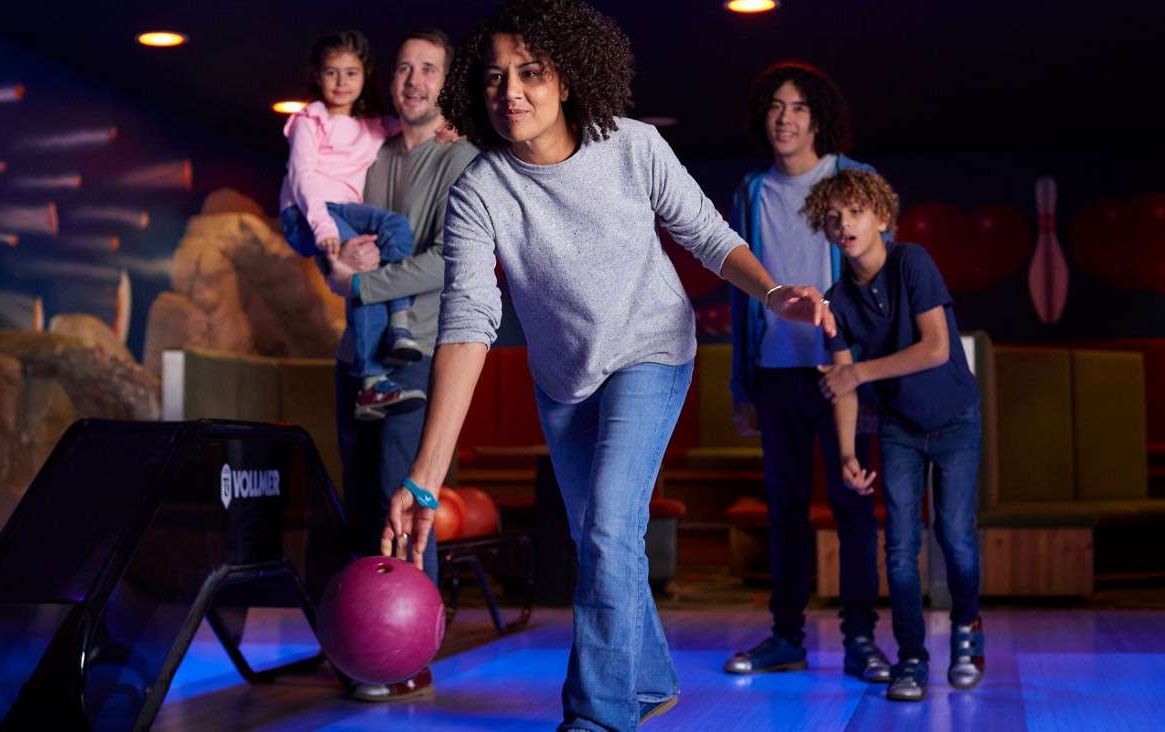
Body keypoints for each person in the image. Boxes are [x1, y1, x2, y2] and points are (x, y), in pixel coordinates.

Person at [380, 2, 834, 729]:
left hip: (652, 350)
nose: (511, 92)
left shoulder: (632, 146)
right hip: (564, 379)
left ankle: (594, 715)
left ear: (568, 79)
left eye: (531, 73)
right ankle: (648, 678)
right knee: (601, 530)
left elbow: (709, 237)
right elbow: (467, 323)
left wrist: (776, 292)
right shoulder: (480, 192)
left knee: (609, 531)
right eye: (495, 78)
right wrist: (425, 481)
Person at [324, 27, 479, 702]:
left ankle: (409, 648)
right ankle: (363, 643)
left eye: (429, 70)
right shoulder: (372, 151)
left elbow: (448, 262)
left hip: (415, 359)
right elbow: (330, 224)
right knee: (360, 498)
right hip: (356, 356)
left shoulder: (464, 157)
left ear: (448, 84)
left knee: (403, 492)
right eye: (404, 68)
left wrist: (361, 285)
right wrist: (338, 264)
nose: (413, 79)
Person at [724, 61, 889, 683]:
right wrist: (742, 384)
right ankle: (786, 637)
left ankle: (860, 642)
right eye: (774, 106)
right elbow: (740, 296)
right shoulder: (749, 193)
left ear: (817, 118)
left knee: (852, 509)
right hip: (776, 374)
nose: (784, 118)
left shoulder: (854, 180)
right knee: (784, 511)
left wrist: (868, 372)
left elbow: (883, 277)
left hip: (841, 375)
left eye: (796, 108)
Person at [804, 168, 985, 702]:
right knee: (902, 549)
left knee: (955, 539)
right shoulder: (835, 302)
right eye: (833, 217)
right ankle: (912, 658)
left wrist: (858, 372)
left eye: (855, 212)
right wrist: (845, 454)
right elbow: (841, 384)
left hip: (955, 420)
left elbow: (935, 349)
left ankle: (967, 633)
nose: (844, 224)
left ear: (881, 218)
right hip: (900, 429)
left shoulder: (913, 262)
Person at [279, 31, 425, 420]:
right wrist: (322, 225)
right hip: (305, 212)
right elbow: (302, 176)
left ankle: (399, 322)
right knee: (362, 274)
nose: (341, 82)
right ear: (318, 76)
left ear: (364, 77)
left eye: (350, 73)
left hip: (346, 210)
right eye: (332, 73)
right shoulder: (310, 120)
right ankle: (372, 385)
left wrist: (447, 127)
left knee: (395, 226)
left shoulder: (372, 127)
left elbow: (414, 123)